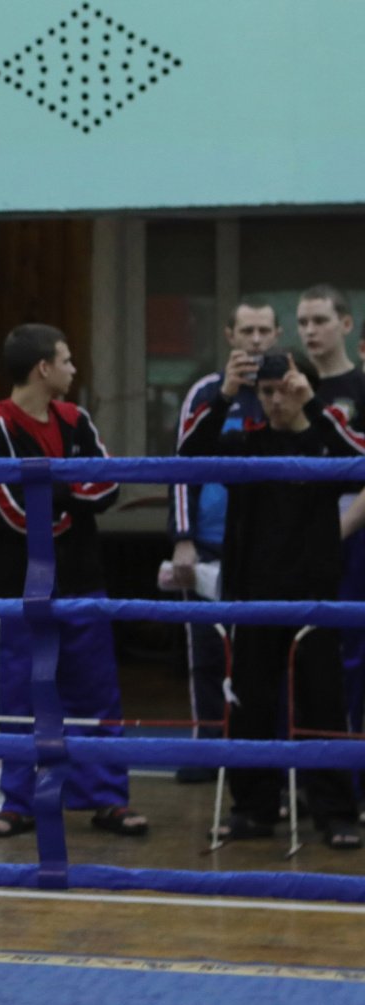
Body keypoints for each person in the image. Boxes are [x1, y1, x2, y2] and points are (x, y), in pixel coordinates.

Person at [182, 349, 365, 847]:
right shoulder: (246, 442)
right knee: (251, 706)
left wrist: (316, 406)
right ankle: (253, 809)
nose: (277, 401)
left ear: (306, 388)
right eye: (266, 392)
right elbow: (189, 455)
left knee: (323, 704)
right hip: (253, 595)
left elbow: (360, 462)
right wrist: (224, 396)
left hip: (314, 596)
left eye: (286, 390)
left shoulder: (324, 442)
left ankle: (336, 813)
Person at [0, 324, 146, 840]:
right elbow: (10, 511)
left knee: (95, 690)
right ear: (43, 368)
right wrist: (70, 500)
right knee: (17, 695)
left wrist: (57, 495)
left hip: (82, 578)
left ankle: (107, 798)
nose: (74, 369)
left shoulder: (77, 419)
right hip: (20, 586)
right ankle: (14, 801)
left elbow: (108, 483)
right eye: (67, 360)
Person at [169, 300, 281, 782]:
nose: (255, 340)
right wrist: (183, 538)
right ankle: (209, 746)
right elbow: (181, 465)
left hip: (267, 547)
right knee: (207, 652)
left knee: (262, 652)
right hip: (210, 544)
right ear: (229, 336)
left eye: (263, 331)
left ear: (276, 335)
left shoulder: (287, 388)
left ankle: (260, 753)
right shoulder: (205, 391)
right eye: (247, 331)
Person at [298, 285, 365, 731]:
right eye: (303, 322)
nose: (310, 331)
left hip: (352, 527)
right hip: (299, 526)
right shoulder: (290, 385)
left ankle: (351, 758)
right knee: (301, 639)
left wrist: (337, 529)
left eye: (320, 320)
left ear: (345, 324)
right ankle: (304, 760)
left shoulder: (362, 388)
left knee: (353, 642)